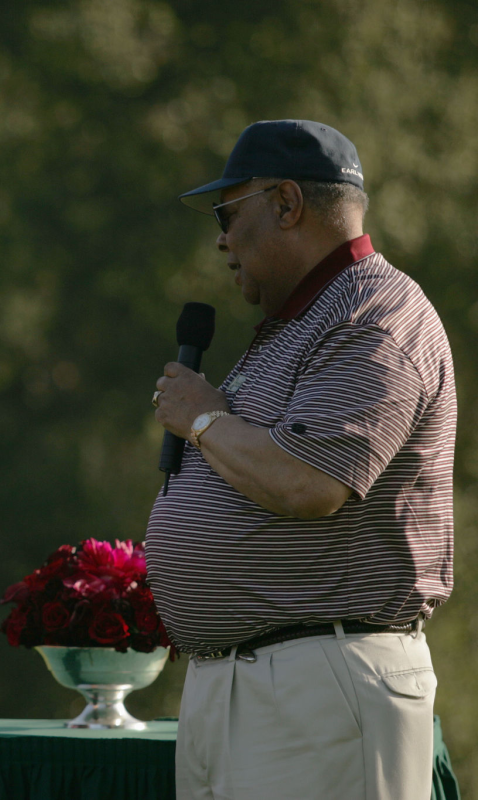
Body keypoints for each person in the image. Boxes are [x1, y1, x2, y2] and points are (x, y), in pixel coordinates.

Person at [146, 120, 454, 800]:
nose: (222, 240)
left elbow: (310, 482)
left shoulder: (374, 315)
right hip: (257, 684)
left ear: (287, 205)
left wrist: (201, 417)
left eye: (228, 214)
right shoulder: (302, 322)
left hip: (322, 681)